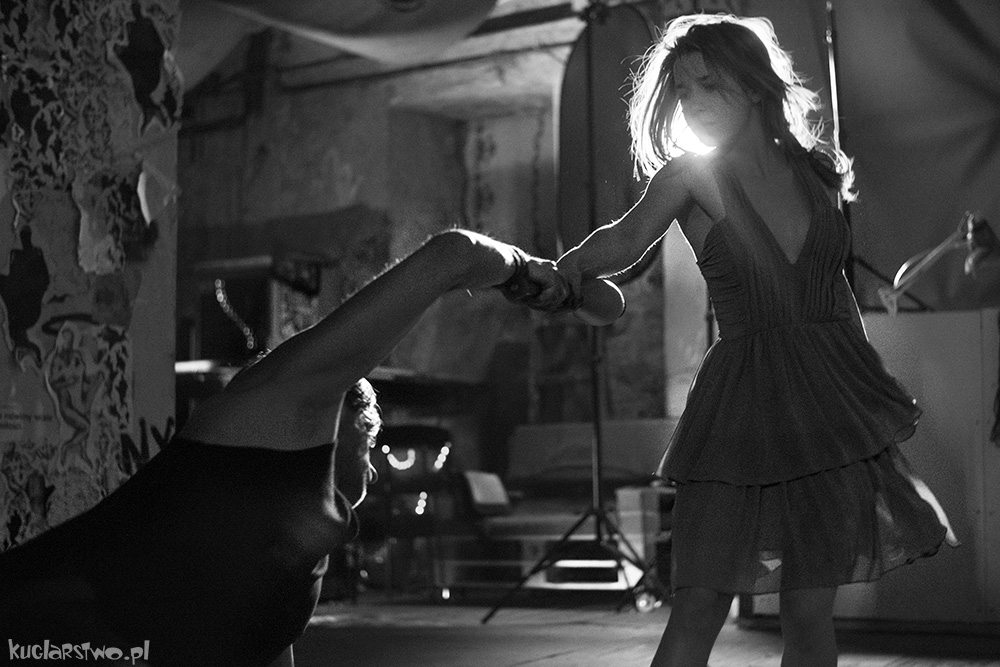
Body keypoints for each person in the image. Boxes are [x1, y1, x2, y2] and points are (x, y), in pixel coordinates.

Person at [526, 14, 957, 667]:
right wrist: (562, 271)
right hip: (742, 410)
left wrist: (866, 393)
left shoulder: (817, 175)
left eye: (709, 85)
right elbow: (622, 241)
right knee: (698, 607)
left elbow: (836, 291)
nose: (692, 104)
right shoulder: (690, 176)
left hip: (825, 411)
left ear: (755, 85)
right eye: (682, 90)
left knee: (808, 613)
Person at [0, 229, 571, 666]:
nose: (374, 467)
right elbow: (453, 253)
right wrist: (530, 275)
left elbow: (258, 643)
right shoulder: (280, 408)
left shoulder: (304, 540)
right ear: (346, 417)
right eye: (371, 440)